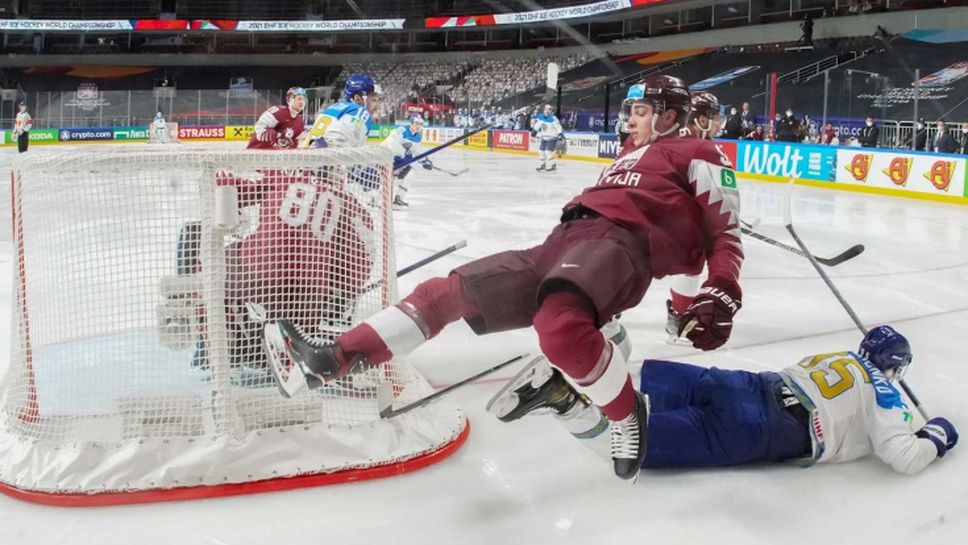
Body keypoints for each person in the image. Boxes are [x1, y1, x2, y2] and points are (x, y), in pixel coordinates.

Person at [262, 75, 744, 480]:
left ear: (667, 114)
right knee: (446, 292)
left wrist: (723, 287)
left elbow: (726, 230)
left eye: (640, 110)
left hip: (619, 245)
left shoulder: (700, 151)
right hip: (564, 240)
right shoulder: (628, 153)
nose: (630, 118)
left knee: (559, 326)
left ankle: (625, 414)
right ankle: (334, 359)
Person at [489, 325, 958, 475]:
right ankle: (563, 401)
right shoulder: (887, 392)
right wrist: (938, 434)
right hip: (762, 428)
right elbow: (904, 455)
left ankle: (598, 349)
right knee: (634, 444)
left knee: (638, 382)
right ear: (896, 366)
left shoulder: (837, 356)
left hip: (743, 383)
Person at [665, 91, 734, 345]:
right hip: (662, 219)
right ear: (700, 119)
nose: (718, 123)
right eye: (714, 117)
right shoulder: (708, 150)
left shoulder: (664, 136)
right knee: (691, 259)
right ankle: (679, 318)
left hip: (635, 214)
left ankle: (607, 312)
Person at [304, 74, 380, 149]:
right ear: (358, 99)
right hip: (325, 157)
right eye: (373, 99)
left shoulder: (331, 108)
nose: (377, 104)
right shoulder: (361, 111)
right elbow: (336, 144)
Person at [383, 115, 433, 208]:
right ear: (412, 123)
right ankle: (376, 199)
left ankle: (399, 198)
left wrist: (425, 160)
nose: (418, 126)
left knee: (411, 173)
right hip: (387, 158)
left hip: (398, 161)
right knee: (386, 178)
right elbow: (391, 144)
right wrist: (403, 153)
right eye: (416, 123)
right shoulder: (401, 130)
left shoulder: (418, 136)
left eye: (420, 124)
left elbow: (415, 151)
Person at [532, 104, 563, 172]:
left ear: (551, 111)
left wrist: (560, 134)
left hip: (552, 137)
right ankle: (543, 165)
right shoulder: (541, 117)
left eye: (549, 109)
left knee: (548, 152)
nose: (547, 111)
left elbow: (558, 126)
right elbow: (538, 124)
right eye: (546, 109)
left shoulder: (553, 118)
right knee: (541, 151)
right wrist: (535, 130)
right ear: (544, 110)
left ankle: (553, 165)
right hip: (544, 137)